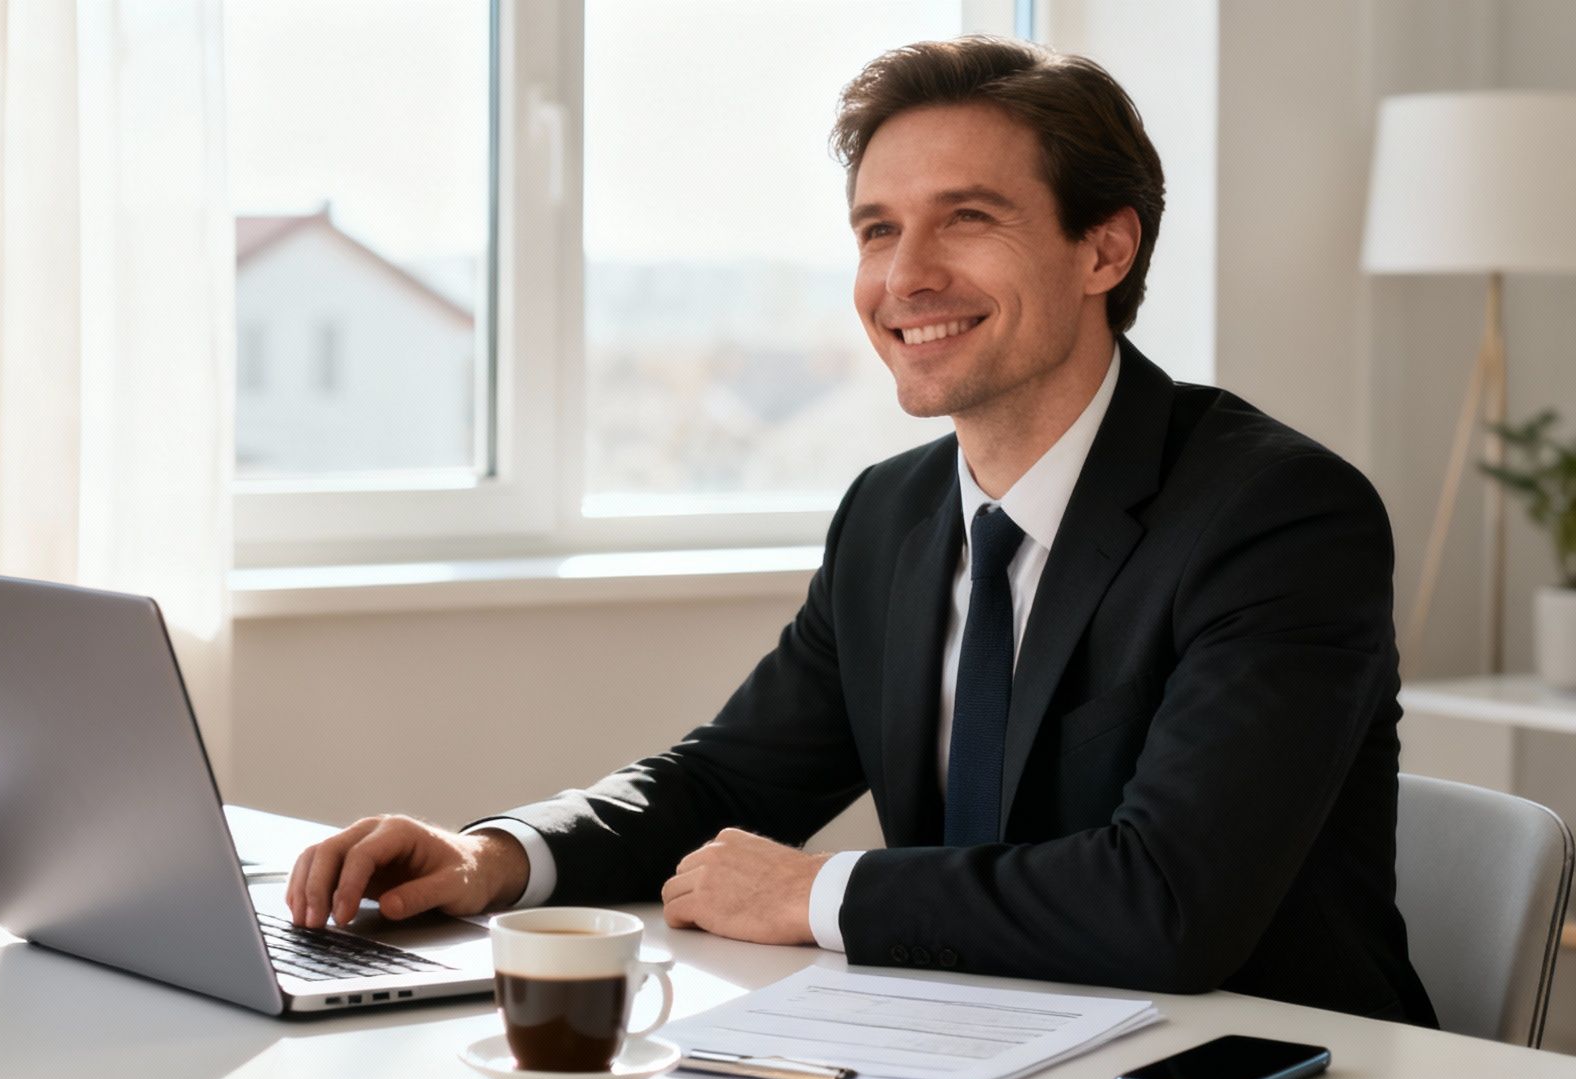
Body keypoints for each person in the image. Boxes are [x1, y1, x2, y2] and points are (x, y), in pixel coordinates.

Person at [285, 35, 1436, 1025]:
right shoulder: (891, 514)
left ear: (1103, 249)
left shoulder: (1277, 516)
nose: (905, 276)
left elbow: (1169, 903)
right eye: (875, 231)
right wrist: (495, 855)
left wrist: (817, 893)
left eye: (965, 220)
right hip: (973, 1052)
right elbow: (724, 780)